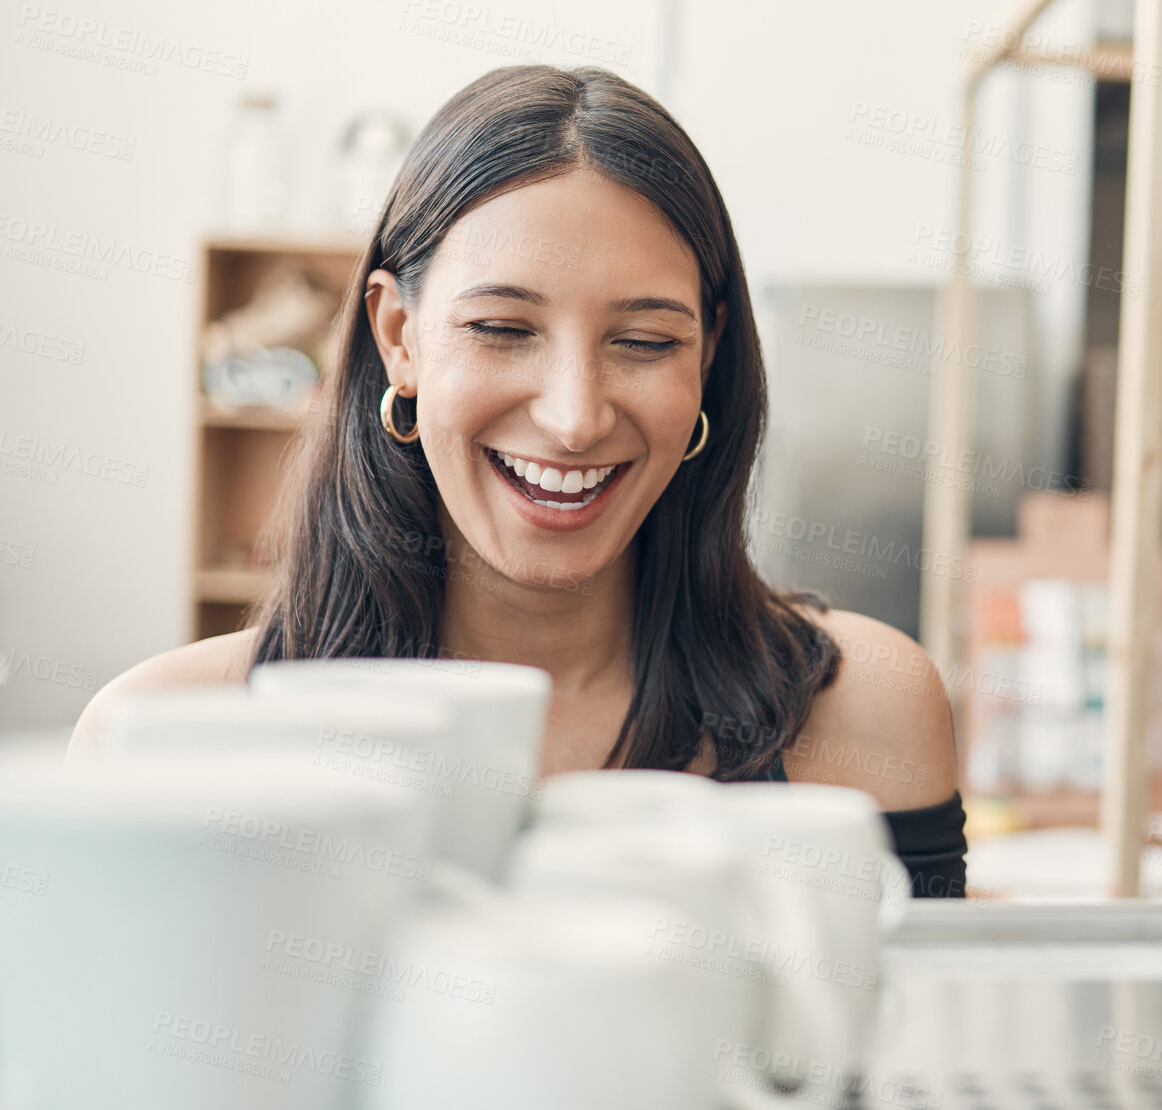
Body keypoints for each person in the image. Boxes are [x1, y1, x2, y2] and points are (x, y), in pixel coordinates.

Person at [70, 65, 966, 897]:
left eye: (646, 342)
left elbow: (901, 1063)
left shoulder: (868, 713)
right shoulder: (161, 742)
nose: (575, 418)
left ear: (709, 352)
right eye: (502, 328)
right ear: (399, 337)